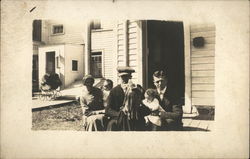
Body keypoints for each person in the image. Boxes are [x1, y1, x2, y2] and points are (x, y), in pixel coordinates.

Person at [105, 66, 144, 131]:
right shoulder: (114, 91)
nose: (125, 80)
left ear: (130, 77)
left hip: (134, 117)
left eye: (127, 77)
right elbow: (108, 110)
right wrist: (120, 114)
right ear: (119, 77)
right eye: (123, 77)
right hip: (118, 118)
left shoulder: (137, 90)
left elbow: (143, 105)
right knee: (112, 124)